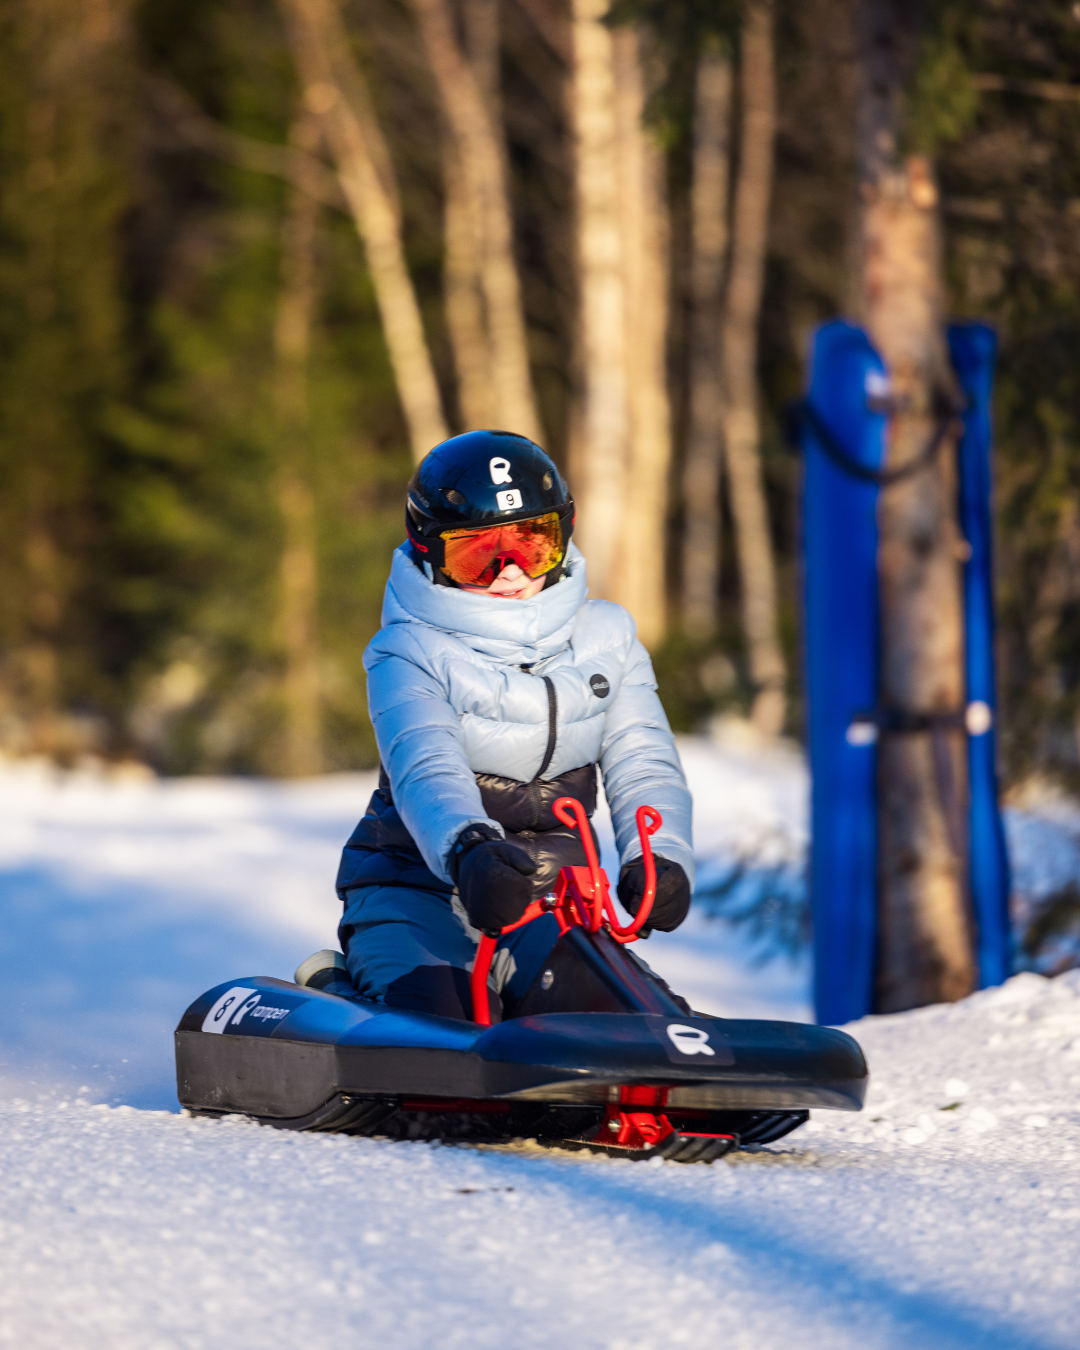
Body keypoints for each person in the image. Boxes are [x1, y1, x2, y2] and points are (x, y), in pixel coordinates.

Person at [305, 429, 694, 1022]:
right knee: (438, 1025)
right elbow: (425, 765)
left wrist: (658, 854)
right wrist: (469, 848)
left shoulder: (607, 638)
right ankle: (336, 994)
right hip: (422, 890)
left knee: (633, 1022)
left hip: (551, 904)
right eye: (477, 554)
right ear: (431, 552)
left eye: (531, 544)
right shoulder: (407, 651)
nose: (509, 572)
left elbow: (643, 758)